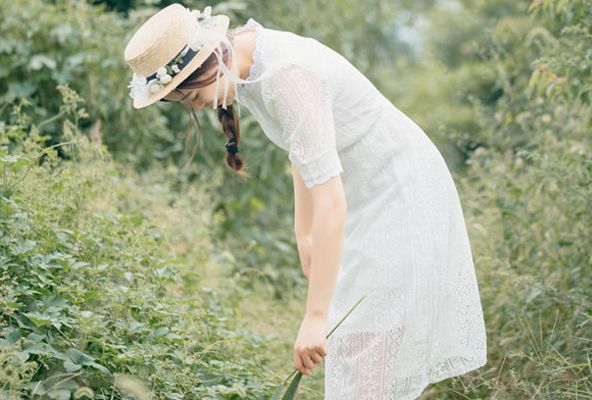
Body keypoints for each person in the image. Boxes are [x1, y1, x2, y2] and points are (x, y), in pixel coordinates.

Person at [123, 4, 488, 399]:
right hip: (365, 192)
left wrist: (314, 319)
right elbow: (305, 148)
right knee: (360, 351)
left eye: (194, 95)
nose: (199, 106)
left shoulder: (284, 75)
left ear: (212, 61)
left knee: (364, 345)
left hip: (398, 191)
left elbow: (331, 204)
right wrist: (304, 232)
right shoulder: (249, 62)